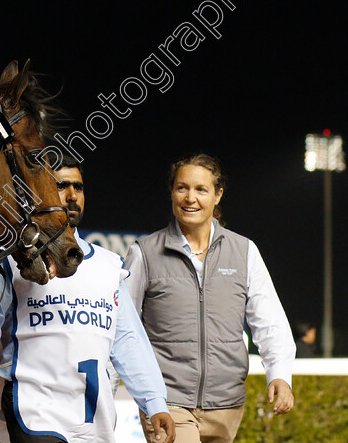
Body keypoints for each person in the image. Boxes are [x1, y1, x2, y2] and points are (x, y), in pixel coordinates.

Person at [0, 156, 175, 443]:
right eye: (60, 186)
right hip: (32, 408)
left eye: (77, 187)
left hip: (92, 418)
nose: (71, 196)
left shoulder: (109, 266)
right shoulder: (11, 262)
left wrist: (155, 404)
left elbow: (128, 341)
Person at [125, 154, 295, 443]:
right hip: (166, 401)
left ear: (218, 196)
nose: (190, 198)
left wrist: (279, 374)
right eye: (182, 188)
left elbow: (269, 319)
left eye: (201, 189)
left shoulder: (244, 251)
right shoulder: (144, 253)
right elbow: (123, 325)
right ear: (172, 192)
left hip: (227, 404)